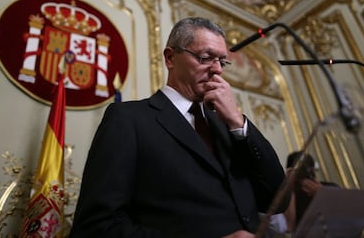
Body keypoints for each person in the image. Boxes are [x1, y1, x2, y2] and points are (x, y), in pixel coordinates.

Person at [69, 17, 287, 238]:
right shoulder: (128, 119)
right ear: (170, 57)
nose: (217, 70)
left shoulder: (230, 125)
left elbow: (278, 200)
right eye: (205, 58)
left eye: (222, 61)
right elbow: (95, 227)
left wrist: (238, 122)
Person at [283, 151, 338, 232]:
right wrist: (289, 188)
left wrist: (323, 194)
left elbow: (348, 212)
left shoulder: (330, 188)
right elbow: (288, 228)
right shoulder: (286, 198)